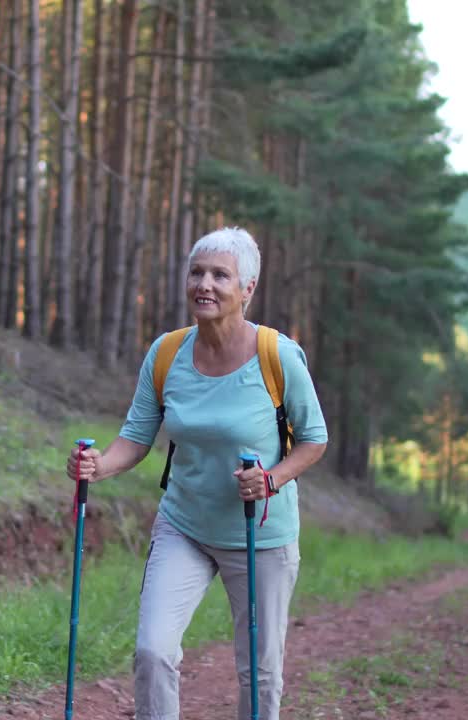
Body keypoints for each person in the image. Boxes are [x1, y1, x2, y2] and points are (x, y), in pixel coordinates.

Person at [66, 227, 328, 720]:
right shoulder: (167, 354)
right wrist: (98, 467)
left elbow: (315, 439)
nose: (204, 284)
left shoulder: (277, 356)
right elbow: (136, 437)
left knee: (260, 671)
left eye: (219, 275)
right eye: (196, 272)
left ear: (247, 289)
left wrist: (271, 478)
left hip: (260, 535)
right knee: (152, 651)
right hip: (185, 525)